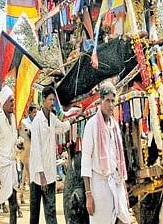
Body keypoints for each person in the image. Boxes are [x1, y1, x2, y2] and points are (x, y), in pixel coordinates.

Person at [81, 82, 131, 224]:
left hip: (115, 179)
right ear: (100, 101)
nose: (110, 105)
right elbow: (86, 160)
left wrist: (122, 184)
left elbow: (117, 156)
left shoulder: (114, 125)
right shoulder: (92, 125)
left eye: (113, 101)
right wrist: (88, 194)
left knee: (124, 218)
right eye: (107, 100)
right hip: (99, 183)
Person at [29, 86, 70, 224]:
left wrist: (74, 118)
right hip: (38, 175)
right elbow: (35, 150)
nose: (53, 102)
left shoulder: (52, 118)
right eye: (50, 99)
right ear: (43, 101)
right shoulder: (36, 122)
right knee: (34, 213)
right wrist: (41, 176)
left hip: (50, 173)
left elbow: (62, 127)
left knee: (51, 212)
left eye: (54, 99)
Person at [0, 85, 21, 224]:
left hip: (11, 166)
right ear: (3, 103)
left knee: (13, 204)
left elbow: (14, 139)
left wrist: (18, 143)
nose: (13, 104)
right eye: (10, 101)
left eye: (13, 101)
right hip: (1, 169)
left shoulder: (13, 119)